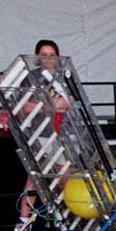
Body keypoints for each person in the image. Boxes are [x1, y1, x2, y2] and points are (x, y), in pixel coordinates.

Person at [16, 39, 70, 221]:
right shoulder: (30, 77)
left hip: (62, 134)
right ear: (38, 57)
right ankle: (24, 222)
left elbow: (68, 102)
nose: (48, 59)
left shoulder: (63, 77)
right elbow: (26, 107)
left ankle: (67, 217)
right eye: (44, 55)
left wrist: (45, 104)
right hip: (39, 135)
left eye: (51, 55)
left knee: (65, 177)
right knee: (34, 179)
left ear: (57, 57)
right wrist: (51, 105)